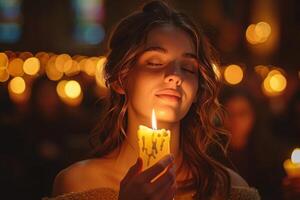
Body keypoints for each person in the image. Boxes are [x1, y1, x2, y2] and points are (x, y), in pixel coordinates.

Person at [46, 1, 260, 199]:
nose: (175, 76)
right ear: (121, 79)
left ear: (197, 91)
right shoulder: (79, 183)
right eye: (155, 62)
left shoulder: (228, 188)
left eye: (187, 68)